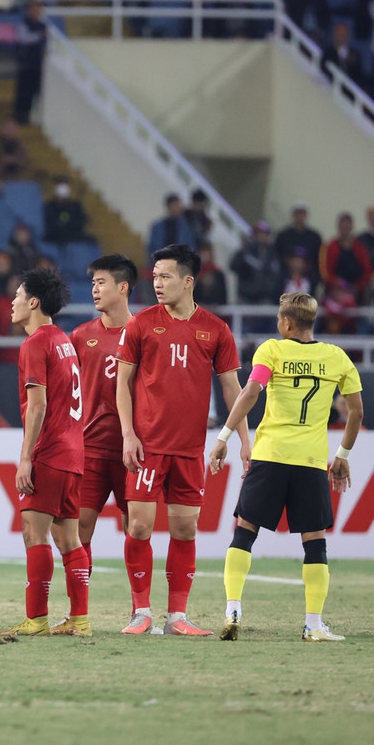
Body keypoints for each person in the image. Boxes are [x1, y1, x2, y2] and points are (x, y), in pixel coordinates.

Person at [207, 291, 364, 642]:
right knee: (315, 542)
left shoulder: (272, 350)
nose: (278, 324)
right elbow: (356, 412)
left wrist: (224, 437)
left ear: (287, 323)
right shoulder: (336, 357)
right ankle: (313, 624)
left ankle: (233, 607)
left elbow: (251, 391)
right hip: (309, 461)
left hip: (270, 455)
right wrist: (342, 456)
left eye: (280, 319)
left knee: (244, 532)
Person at [116, 244, 249, 636]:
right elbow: (122, 383)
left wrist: (243, 439)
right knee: (138, 528)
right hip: (147, 447)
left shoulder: (216, 329)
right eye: (154, 277)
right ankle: (141, 613)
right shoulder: (140, 324)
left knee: (185, 530)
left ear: (188, 281)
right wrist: (128, 434)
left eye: (165, 276)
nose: (157, 283)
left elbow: (232, 390)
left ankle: (178, 617)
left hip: (190, 450)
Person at [0, 269, 90, 637]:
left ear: (34, 302)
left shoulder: (35, 343)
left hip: (49, 452)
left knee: (34, 534)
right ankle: (80, 620)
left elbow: (37, 406)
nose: (13, 302)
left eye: (18, 295)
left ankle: (36, 620)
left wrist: (26, 458)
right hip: (73, 453)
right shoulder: (62, 341)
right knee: (70, 539)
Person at [70, 255, 137, 583]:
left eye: (101, 283)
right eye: (93, 283)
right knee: (79, 527)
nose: (94, 290)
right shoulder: (81, 336)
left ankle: (139, 609)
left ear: (122, 287)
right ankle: (78, 610)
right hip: (90, 448)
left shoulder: (144, 334)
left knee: (136, 528)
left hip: (134, 451)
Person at [148, 194, 196, 258]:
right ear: (168, 206)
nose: (178, 208)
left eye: (179, 205)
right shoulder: (156, 227)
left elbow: (191, 248)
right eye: (175, 205)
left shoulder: (186, 228)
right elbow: (152, 248)